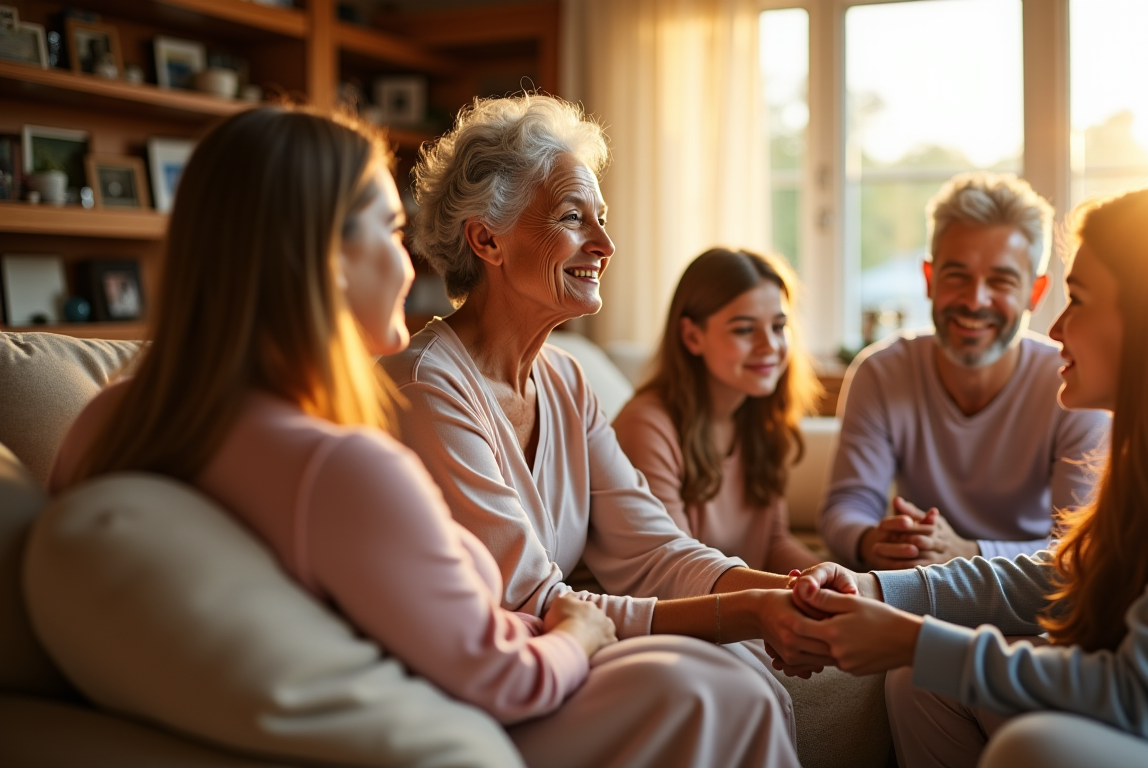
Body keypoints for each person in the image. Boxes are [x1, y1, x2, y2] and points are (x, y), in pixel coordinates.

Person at [47, 106, 800, 768]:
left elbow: (628, 557)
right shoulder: (349, 455)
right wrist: (580, 628)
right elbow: (495, 657)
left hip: (459, 671)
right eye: (389, 229)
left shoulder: (113, 417)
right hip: (465, 705)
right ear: (319, 260)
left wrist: (775, 593)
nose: (411, 264)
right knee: (720, 687)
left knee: (728, 674)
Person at [790, 183, 1148, 768]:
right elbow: (1073, 570)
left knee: (1034, 745)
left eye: (1077, 300)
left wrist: (912, 639)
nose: (1055, 328)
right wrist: (878, 590)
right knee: (923, 680)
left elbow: (1141, 696)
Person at [380, 94, 849, 723]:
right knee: (726, 686)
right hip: (487, 682)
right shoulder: (427, 389)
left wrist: (798, 592)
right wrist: (750, 612)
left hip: (558, 648)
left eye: (602, 219)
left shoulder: (567, 379)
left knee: (742, 672)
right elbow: (535, 602)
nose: (604, 243)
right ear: (487, 239)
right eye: (574, 217)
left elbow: (655, 550)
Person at [819, 172, 1110, 569]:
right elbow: (845, 507)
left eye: (1001, 281)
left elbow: (1078, 545)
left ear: (1035, 293)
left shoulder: (1074, 383)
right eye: (957, 276)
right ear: (929, 279)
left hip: (1024, 592)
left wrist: (967, 553)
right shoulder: (881, 372)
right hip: (914, 578)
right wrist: (875, 541)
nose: (975, 301)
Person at [612, 247, 822, 574]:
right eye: (744, 329)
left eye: (778, 326)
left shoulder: (757, 417)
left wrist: (844, 581)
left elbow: (774, 542)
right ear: (692, 337)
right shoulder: (646, 427)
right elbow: (680, 570)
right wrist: (804, 591)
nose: (769, 346)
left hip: (737, 595)